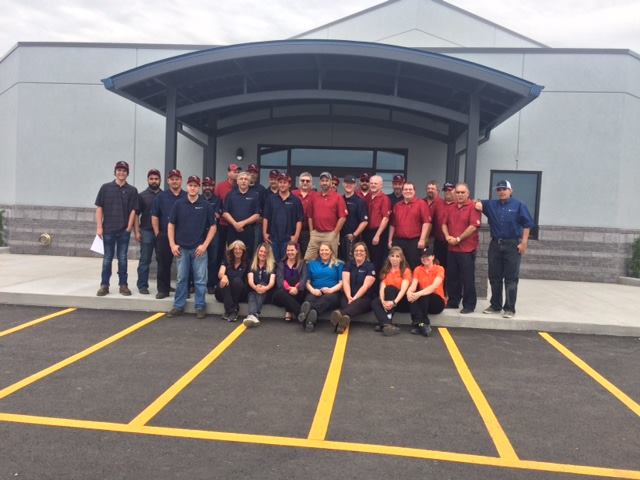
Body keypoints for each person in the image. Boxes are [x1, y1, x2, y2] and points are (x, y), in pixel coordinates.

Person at [477, 180, 535, 318]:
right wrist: (476, 204)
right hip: (495, 244)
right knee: (494, 276)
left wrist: (524, 243)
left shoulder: (519, 205)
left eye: (504, 189)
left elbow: (527, 224)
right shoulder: (491, 204)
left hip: (512, 245)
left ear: (510, 190)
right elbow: (475, 202)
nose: (501, 191)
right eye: (499, 189)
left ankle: (509, 308)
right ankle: (495, 305)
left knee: (511, 278)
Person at [166, 176, 217, 318]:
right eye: (190, 185)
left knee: (200, 280)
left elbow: (213, 227)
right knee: (181, 279)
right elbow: (171, 225)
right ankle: (178, 306)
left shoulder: (205, 205)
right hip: (181, 249)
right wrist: (172, 244)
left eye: (195, 185)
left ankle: (200, 306)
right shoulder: (178, 204)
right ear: (187, 186)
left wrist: (204, 245)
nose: (193, 188)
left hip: (199, 249)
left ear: (199, 187)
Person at [95, 160, 139, 296]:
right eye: (119, 170)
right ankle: (104, 285)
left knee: (123, 258)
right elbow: (99, 208)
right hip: (108, 229)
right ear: (115, 172)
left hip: (123, 231)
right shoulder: (105, 188)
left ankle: (123, 285)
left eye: (124, 171)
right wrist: (99, 227)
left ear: (127, 173)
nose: (121, 173)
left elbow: (134, 210)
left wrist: (129, 227)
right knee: (107, 258)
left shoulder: (132, 190)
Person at [442, 182, 481, 314]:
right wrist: (447, 236)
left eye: (462, 192)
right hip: (452, 248)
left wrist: (458, 239)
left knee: (467, 278)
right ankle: (453, 301)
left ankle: (469, 305)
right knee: (452, 276)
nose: (459, 195)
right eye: (457, 192)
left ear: (468, 193)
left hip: (466, 249)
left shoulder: (473, 207)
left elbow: (473, 226)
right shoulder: (451, 207)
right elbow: (444, 224)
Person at [151, 169, 186, 299]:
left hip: (183, 236)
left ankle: (184, 290)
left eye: (177, 179)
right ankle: (163, 290)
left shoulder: (187, 196)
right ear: (168, 181)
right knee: (163, 264)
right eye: (172, 179)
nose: (174, 181)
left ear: (181, 180)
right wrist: (157, 234)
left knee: (184, 265)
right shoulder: (161, 197)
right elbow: (154, 216)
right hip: (164, 235)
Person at [330, 242, 376, 334]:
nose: (359, 252)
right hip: (348, 295)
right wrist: (349, 296)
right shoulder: (349, 264)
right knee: (346, 304)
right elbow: (346, 282)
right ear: (353, 253)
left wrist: (354, 298)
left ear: (366, 253)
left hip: (364, 297)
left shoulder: (370, 266)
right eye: (356, 251)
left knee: (357, 304)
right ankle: (343, 322)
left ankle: (340, 314)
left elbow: (365, 286)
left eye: (361, 251)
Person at [298, 242, 344, 332]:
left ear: (331, 251)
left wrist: (331, 290)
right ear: (319, 252)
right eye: (322, 250)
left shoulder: (338, 264)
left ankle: (310, 314)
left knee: (325, 299)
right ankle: (310, 321)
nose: (324, 252)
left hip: (332, 293)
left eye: (326, 250)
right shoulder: (311, 264)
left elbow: (341, 283)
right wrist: (312, 290)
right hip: (315, 291)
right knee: (309, 299)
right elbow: (307, 282)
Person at [304, 171, 347, 261]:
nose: (324, 183)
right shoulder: (314, 197)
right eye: (322, 181)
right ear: (320, 182)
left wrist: (335, 233)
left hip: (330, 234)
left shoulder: (338, 197)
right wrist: (312, 232)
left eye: (327, 181)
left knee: (331, 260)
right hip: (316, 234)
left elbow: (342, 217)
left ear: (330, 182)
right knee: (308, 259)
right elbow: (310, 216)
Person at [388, 182, 431, 269]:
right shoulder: (397, 205)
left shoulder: (421, 203)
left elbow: (426, 222)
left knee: (413, 265)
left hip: (414, 242)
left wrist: (422, 239)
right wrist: (389, 240)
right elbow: (393, 224)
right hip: (398, 241)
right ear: (402, 191)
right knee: (397, 266)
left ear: (414, 191)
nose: (408, 191)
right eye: (405, 189)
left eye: (410, 189)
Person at [371, 246, 412, 336]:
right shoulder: (386, 271)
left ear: (401, 259)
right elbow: (382, 288)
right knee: (375, 302)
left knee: (390, 289)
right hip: (387, 301)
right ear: (389, 257)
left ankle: (384, 324)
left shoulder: (405, 271)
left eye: (397, 256)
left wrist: (394, 302)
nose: (394, 258)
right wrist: (382, 301)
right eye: (392, 256)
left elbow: (403, 289)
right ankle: (387, 324)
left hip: (401, 301)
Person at [263, 172, 303, 262]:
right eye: (280, 182)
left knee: (286, 262)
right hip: (273, 238)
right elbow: (266, 217)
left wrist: (296, 236)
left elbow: (299, 220)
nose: (282, 185)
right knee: (273, 261)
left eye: (285, 182)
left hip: (288, 238)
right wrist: (264, 233)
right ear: (277, 183)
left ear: (289, 184)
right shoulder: (270, 199)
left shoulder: (296, 201)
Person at [406, 245, 445, 337]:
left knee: (423, 295)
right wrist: (409, 293)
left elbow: (433, 287)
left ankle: (423, 323)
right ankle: (420, 325)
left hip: (437, 303)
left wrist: (417, 294)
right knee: (414, 296)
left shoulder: (439, 269)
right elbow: (413, 285)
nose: (425, 258)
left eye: (427, 256)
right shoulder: (418, 269)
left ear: (433, 257)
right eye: (423, 256)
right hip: (423, 302)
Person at [134, 168, 161, 295]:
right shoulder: (141, 196)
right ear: (148, 180)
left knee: (163, 260)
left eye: (156, 179)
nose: (154, 181)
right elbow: (136, 214)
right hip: (146, 231)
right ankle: (142, 285)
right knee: (145, 260)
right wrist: (137, 231)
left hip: (161, 233)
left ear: (160, 180)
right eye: (151, 179)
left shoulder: (164, 195)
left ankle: (163, 286)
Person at [223, 171, 261, 261]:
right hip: (233, 230)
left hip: (248, 231)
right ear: (237, 181)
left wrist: (243, 223)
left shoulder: (255, 195)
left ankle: (246, 270)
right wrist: (235, 224)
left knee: (248, 255)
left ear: (249, 182)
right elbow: (225, 213)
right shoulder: (230, 195)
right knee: (231, 254)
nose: (243, 181)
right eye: (241, 179)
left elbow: (257, 215)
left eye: (246, 179)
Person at [272, 241, 308, 322]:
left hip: (297, 293)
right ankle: (300, 313)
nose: (289, 252)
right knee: (280, 293)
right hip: (283, 294)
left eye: (292, 250)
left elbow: (304, 278)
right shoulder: (281, 263)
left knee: (300, 291)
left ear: (297, 251)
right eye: (288, 250)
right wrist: (289, 288)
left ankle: (289, 311)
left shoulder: (302, 263)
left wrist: (296, 288)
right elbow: (280, 280)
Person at [243, 242, 277, 328]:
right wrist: (255, 287)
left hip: (267, 293)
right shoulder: (252, 263)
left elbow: (272, 282)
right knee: (251, 294)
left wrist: (265, 288)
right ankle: (254, 315)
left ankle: (252, 315)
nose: (262, 254)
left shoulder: (272, 265)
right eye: (261, 251)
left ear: (268, 254)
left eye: (265, 252)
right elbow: (250, 279)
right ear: (258, 252)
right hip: (254, 290)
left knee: (262, 284)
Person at [363, 175, 392, 271]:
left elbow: (385, 218)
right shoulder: (367, 197)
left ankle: (376, 280)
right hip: (366, 232)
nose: (373, 185)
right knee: (367, 257)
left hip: (378, 233)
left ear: (381, 185)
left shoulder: (384, 199)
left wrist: (377, 235)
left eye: (375, 183)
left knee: (377, 260)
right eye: (371, 183)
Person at [215, 240, 249, 322]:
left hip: (240, 293)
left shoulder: (247, 262)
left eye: (240, 249)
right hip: (224, 292)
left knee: (237, 281)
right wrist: (224, 276)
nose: (238, 251)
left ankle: (229, 311)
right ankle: (233, 310)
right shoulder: (227, 260)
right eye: (235, 249)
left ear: (243, 251)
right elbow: (220, 273)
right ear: (232, 251)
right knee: (224, 282)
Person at [214, 163, 241, 268]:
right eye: (234, 172)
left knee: (234, 250)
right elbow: (216, 202)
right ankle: (217, 273)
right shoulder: (220, 186)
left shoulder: (240, 187)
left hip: (235, 225)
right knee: (219, 250)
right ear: (228, 173)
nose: (236, 174)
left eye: (238, 172)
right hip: (222, 224)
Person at [340, 175, 368, 262]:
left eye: (351, 183)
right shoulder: (340, 199)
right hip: (339, 237)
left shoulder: (359, 201)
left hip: (352, 239)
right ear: (343, 184)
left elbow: (364, 221)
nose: (349, 185)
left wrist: (354, 235)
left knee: (351, 262)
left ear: (355, 185)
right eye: (347, 183)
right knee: (340, 261)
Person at [202, 176, 222, 294]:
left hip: (214, 233)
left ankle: (210, 284)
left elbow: (218, 215)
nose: (207, 187)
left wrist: (204, 213)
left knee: (213, 259)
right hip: (200, 232)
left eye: (210, 185)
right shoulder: (198, 198)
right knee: (197, 258)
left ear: (213, 187)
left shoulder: (217, 200)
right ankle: (194, 284)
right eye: (205, 185)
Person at [424, 180, 449, 272]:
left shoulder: (441, 203)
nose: (430, 190)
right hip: (423, 238)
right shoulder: (421, 202)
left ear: (437, 190)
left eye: (433, 188)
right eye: (428, 188)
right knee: (424, 260)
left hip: (437, 239)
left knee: (437, 263)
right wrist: (424, 238)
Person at [292, 171, 315, 258]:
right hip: (293, 231)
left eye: (307, 181)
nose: (305, 182)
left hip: (308, 231)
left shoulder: (315, 195)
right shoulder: (292, 194)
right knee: (293, 254)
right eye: (303, 180)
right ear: (299, 182)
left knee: (306, 256)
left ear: (311, 183)